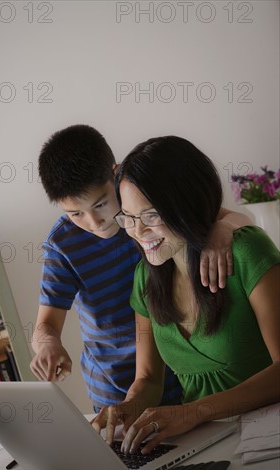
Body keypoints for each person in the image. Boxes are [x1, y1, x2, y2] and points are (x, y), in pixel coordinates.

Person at [30, 125, 252, 412]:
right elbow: (45, 326)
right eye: (75, 214)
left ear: (116, 172)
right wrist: (48, 345)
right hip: (118, 389)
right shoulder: (62, 246)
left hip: (184, 370)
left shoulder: (148, 202)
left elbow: (240, 218)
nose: (94, 222)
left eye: (100, 204)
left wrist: (223, 227)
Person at [91, 135, 280, 452]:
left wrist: (194, 411)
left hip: (266, 439)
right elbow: (149, 378)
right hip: (202, 443)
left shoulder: (247, 252)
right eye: (129, 218)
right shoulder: (145, 279)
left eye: (151, 216)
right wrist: (128, 405)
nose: (138, 231)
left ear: (186, 203)